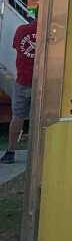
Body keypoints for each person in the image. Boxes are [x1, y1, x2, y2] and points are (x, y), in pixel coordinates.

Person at [3, 17, 36, 165]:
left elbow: (17, 47)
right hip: (40, 83)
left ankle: (10, 152)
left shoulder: (21, 30)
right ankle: (39, 154)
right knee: (40, 120)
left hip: (22, 81)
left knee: (17, 117)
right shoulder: (50, 32)